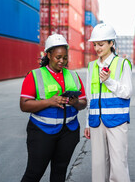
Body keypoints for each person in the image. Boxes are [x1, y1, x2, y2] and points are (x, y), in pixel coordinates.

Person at [20, 34, 87, 182]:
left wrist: (75, 103)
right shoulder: (35, 75)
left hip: (68, 132)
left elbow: (83, 102)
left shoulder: (73, 76)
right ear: (48, 55)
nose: (62, 61)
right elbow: (24, 105)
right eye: (58, 57)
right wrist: (49, 102)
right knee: (34, 173)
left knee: (59, 173)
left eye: (65, 57)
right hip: (41, 132)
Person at [84, 23, 133, 182]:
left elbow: (127, 92)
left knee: (119, 165)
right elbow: (90, 97)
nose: (97, 48)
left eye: (101, 44)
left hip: (117, 122)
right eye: (95, 44)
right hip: (96, 122)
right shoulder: (91, 66)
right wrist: (87, 123)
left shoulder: (123, 64)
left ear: (111, 43)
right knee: (98, 166)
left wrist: (109, 81)